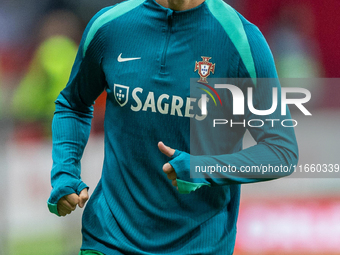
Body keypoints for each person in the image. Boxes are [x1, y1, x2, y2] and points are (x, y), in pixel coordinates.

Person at [47, 0, 299, 254]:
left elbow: (281, 151)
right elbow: (73, 103)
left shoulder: (243, 41)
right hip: (107, 240)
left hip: (198, 246)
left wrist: (201, 168)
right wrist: (65, 173)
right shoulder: (110, 26)